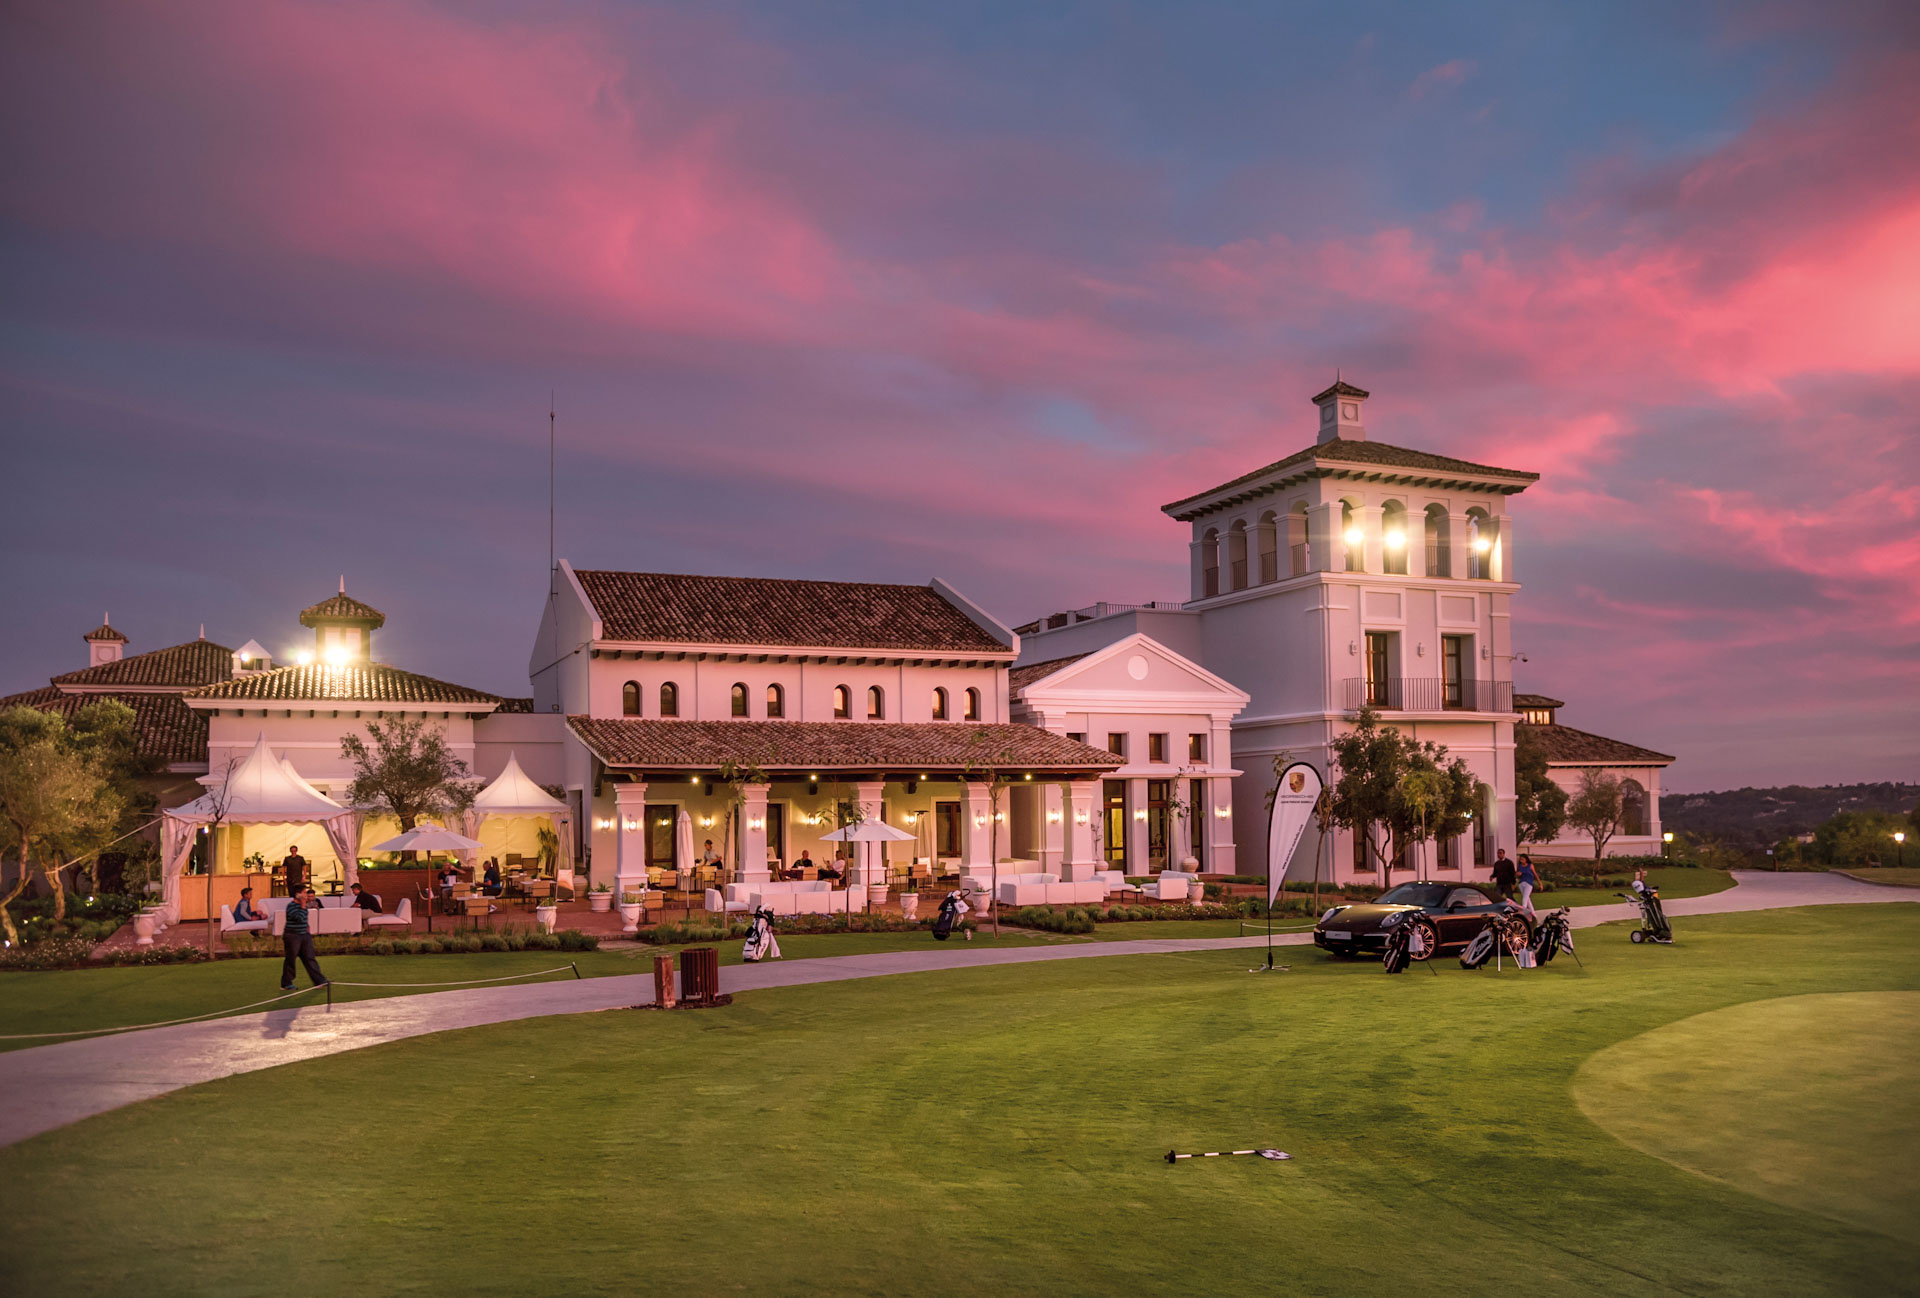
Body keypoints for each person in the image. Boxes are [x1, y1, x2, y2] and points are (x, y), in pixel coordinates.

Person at [280, 887, 328, 991]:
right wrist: (302, 904)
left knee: (310, 958)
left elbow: (304, 918)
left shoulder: (303, 906)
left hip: (304, 935)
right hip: (293, 936)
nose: (306, 895)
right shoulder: (291, 906)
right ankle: (286, 983)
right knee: (291, 960)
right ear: (298, 894)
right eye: (304, 893)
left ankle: (319, 980)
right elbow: (299, 917)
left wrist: (307, 926)